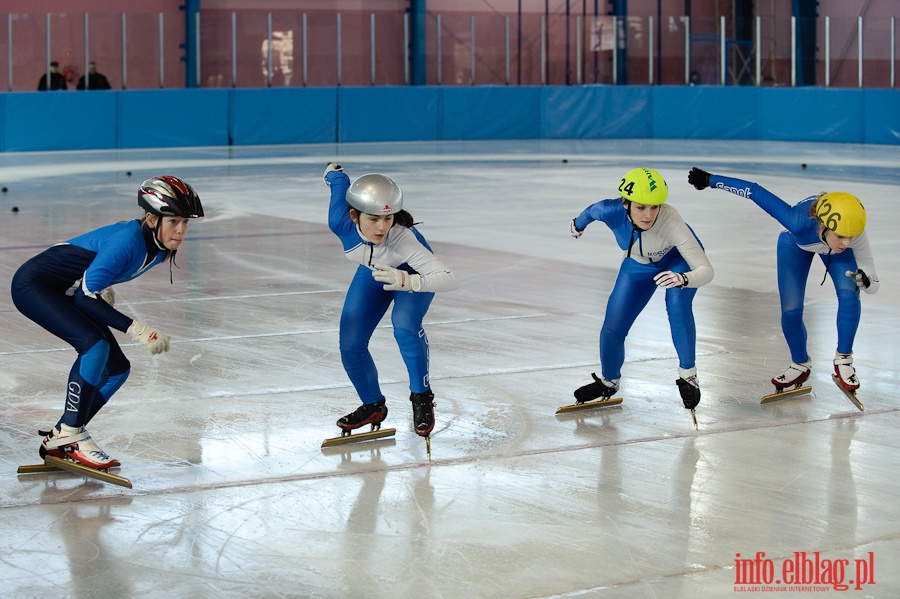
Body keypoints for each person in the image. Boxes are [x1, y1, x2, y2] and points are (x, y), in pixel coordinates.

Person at [10, 176, 204, 469]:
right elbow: (87, 298)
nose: (181, 230)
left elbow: (91, 280)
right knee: (94, 347)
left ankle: (64, 433)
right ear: (151, 218)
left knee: (117, 370)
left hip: (68, 289)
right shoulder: (129, 241)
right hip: (34, 286)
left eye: (185, 222)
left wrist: (99, 284)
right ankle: (71, 435)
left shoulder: (159, 246)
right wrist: (137, 329)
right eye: (174, 221)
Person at [688, 167, 879, 393]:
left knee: (850, 295)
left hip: (819, 240)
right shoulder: (796, 221)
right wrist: (711, 180)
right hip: (794, 242)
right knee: (791, 311)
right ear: (823, 226)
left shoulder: (850, 231)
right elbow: (754, 192)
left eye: (851, 237)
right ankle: (800, 363)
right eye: (840, 237)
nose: (846, 243)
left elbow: (873, 283)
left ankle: (844, 360)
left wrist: (865, 280)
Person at [323, 163, 458, 439]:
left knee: (405, 326)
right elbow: (338, 184)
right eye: (373, 219)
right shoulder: (339, 221)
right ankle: (373, 405)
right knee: (350, 345)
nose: (382, 227)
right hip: (374, 272)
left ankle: (421, 397)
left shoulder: (402, 238)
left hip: (413, 276)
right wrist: (333, 172)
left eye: (388, 218)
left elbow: (449, 277)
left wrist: (410, 282)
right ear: (354, 215)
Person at [569, 167, 714, 412]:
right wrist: (577, 224)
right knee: (613, 326)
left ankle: (688, 374)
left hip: (678, 262)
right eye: (641, 207)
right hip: (638, 264)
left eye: (655, 207)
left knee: (676, 303)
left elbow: (706, 270)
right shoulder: (609, 210)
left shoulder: (671, 221)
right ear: (625, 204)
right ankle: (609, 381)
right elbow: (590, 212)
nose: (648, 215)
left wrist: (683, 278)